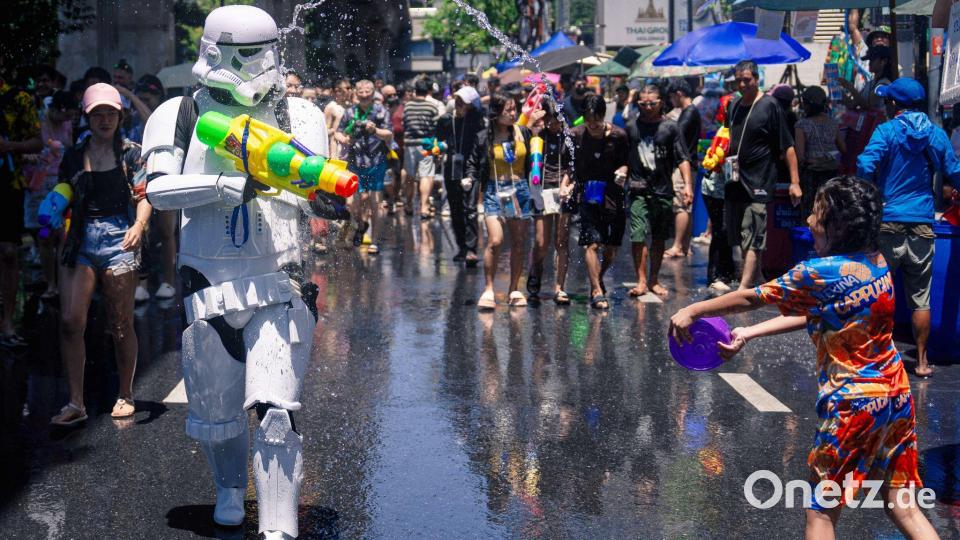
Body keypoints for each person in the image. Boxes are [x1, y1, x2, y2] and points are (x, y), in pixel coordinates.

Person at [142, 6, 349, 537]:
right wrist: (226, 185)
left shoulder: (300, 115)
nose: (252, 68)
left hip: (279, 277)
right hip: (207, 281)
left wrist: (323, 200)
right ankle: (230, 488)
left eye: (260, 53)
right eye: (240, 54)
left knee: (276, 411)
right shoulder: (177, 114)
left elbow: (311, 192)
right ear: (212, 53)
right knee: (216, 416)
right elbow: (159, 189)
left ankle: (279, 523)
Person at [670, 176, 938, 540]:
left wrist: (694, 311)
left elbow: (753, 297)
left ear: (837, 225)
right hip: (895, 398)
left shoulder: (817, 272)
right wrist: (749, 333)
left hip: (852, 405)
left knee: (821, 513)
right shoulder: (876, 263)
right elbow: (819, 311)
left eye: (816, 213)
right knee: (903, 504)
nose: (809, 222)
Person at [50, 83, 151, 425]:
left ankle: (125, 394)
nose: (105, 119)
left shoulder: (131, 152)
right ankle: (76, 403)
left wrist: (139, 226)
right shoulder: (75, 154)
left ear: (120, 116)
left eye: (111, 113)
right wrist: (55, 204)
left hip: (119, 239)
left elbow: (144, 193)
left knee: (120, 323)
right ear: (87, 117)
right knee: (70, 321)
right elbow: (65, 189)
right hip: (81, 240)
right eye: (98, 114)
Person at [857, 77, 960, 378]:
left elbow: (865, 164)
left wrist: (872, 193)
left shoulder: (886, 131)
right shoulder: (936, 135)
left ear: (893, 104)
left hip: (888, 221)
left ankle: (875, 358)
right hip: (922, 225)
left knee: (878, 290)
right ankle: (923, 362)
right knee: (920, 296)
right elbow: (953, 171)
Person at [725, 60, 801, 290]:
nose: (742, 84)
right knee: (737, 235)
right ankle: (756, 277)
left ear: (757, 79)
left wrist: (794, 182)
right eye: (738, 80)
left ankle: (743, 287)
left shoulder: (770, 106)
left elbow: (787, 146)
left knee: (753, 236)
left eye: (746, 80)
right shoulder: (734, 105)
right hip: (734, 181)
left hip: (758, 181)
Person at [467, 92, 541, 309]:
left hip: (519, 190)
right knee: (496, 241)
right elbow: (473, 162)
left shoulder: (523, 133)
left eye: (514, 109)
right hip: (494, 190)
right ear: (496, 113)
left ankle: (514, 289)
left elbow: (535, 155)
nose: (513, 113)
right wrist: (470, 178)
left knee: (518, 243)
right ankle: (489, 288)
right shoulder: (484, 137)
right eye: (508, 110)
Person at [624, 84, 692, 299]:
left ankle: (654, 279)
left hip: (663, 190)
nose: (647, 107)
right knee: (638, 235)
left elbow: (682, 157)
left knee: (659, 237)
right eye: (643, 104)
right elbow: (621, 155)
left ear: (661, 102)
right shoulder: (631, 127)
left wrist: (688, 185)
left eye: (652, 103)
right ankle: (641, 280)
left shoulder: (670, 127)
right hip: (637, 189)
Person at [571, 94, 630, 310]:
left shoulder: (619, 136)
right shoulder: (576, 135)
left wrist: (622, 172)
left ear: (604, 116)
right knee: (592, 243)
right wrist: (568, 184)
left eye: (596, 119)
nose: (592, 125)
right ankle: (596, 289)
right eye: (588, 119)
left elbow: (626, 163)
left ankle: (599, 276)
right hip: (588, 194)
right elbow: (571, 165)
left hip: (613, 195)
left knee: (611, 248)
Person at [0, 59, 43, 347]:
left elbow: (38, 142)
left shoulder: (18, 99)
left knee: (8, 253)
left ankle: (7, 322)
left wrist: (10, 147)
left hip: (8, 185)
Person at [23, 90, 77, 299]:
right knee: (44, 236)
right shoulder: (39, 122)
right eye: (64, 115)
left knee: (63, 234)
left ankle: (63, 283)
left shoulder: (66, 125)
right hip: (39, 184)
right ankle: (50, 283)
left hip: (61, 184)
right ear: (56, 109)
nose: (67, 120)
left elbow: (71, 148)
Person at [336, 79, 392, 254]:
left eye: (368, 90)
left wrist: (375, 130)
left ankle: (374, 241)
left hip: (376, 162)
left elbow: (389, 134)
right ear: (356, 92)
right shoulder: (350, 112)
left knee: (376, 202)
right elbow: (338, 131)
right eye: (361, 91)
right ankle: (360, 224)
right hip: (355, 162)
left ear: (373, 91)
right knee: (353, 203)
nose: (365, 94)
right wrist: (343, 139)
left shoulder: (380, 111)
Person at [529, 98, 576, 304]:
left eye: (555, 118)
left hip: (563, 190)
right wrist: (532, 123)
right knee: (541, 242)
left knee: (561, 241)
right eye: (548, 118)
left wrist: (568, 183)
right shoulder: (538, 136)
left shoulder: (570, 138)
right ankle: (535, 274)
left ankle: (559, 287)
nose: (551, 122)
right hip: (542, 190)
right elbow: (521, 138)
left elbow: (574, 165)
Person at [436, 85, 485, 266]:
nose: (458, 104)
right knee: (456, 207)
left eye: (462, 102)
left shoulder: (477, 122)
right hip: (452, 167)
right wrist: (438, 150)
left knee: (471, 208)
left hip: (471, 167)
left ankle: (472, 249)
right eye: (456, 100)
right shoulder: (446, 120)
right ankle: (462, 247)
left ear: (470, 105)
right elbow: (438, 140)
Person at [663, 79, 700, 259]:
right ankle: (686, 245)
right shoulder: (691, 112)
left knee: (681, 206)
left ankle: (677, 245)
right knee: (687, 205)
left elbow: (677, 134)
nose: (671, 101)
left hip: (684, 164)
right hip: (690, 163)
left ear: (678, 94)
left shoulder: (689, 112)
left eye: (671, 97)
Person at [795, 86, 845, 216]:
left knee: (810, 213)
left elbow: (800, 156)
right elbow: (843, 149)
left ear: (807, 105)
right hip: (831, 174)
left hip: (811, 175)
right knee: (828, 211)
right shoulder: (833, 123)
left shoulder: (801, 125)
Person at [403, 78, 440, 220]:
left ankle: (409, 205)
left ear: (415, 90)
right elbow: (435, 128)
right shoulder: (431, 107)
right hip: (426, 144)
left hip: (410, 144)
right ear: (428, 91)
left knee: (410, 176)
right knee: (426, 175)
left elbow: (406, 124)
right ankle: (424, 207)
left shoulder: (408, 106)